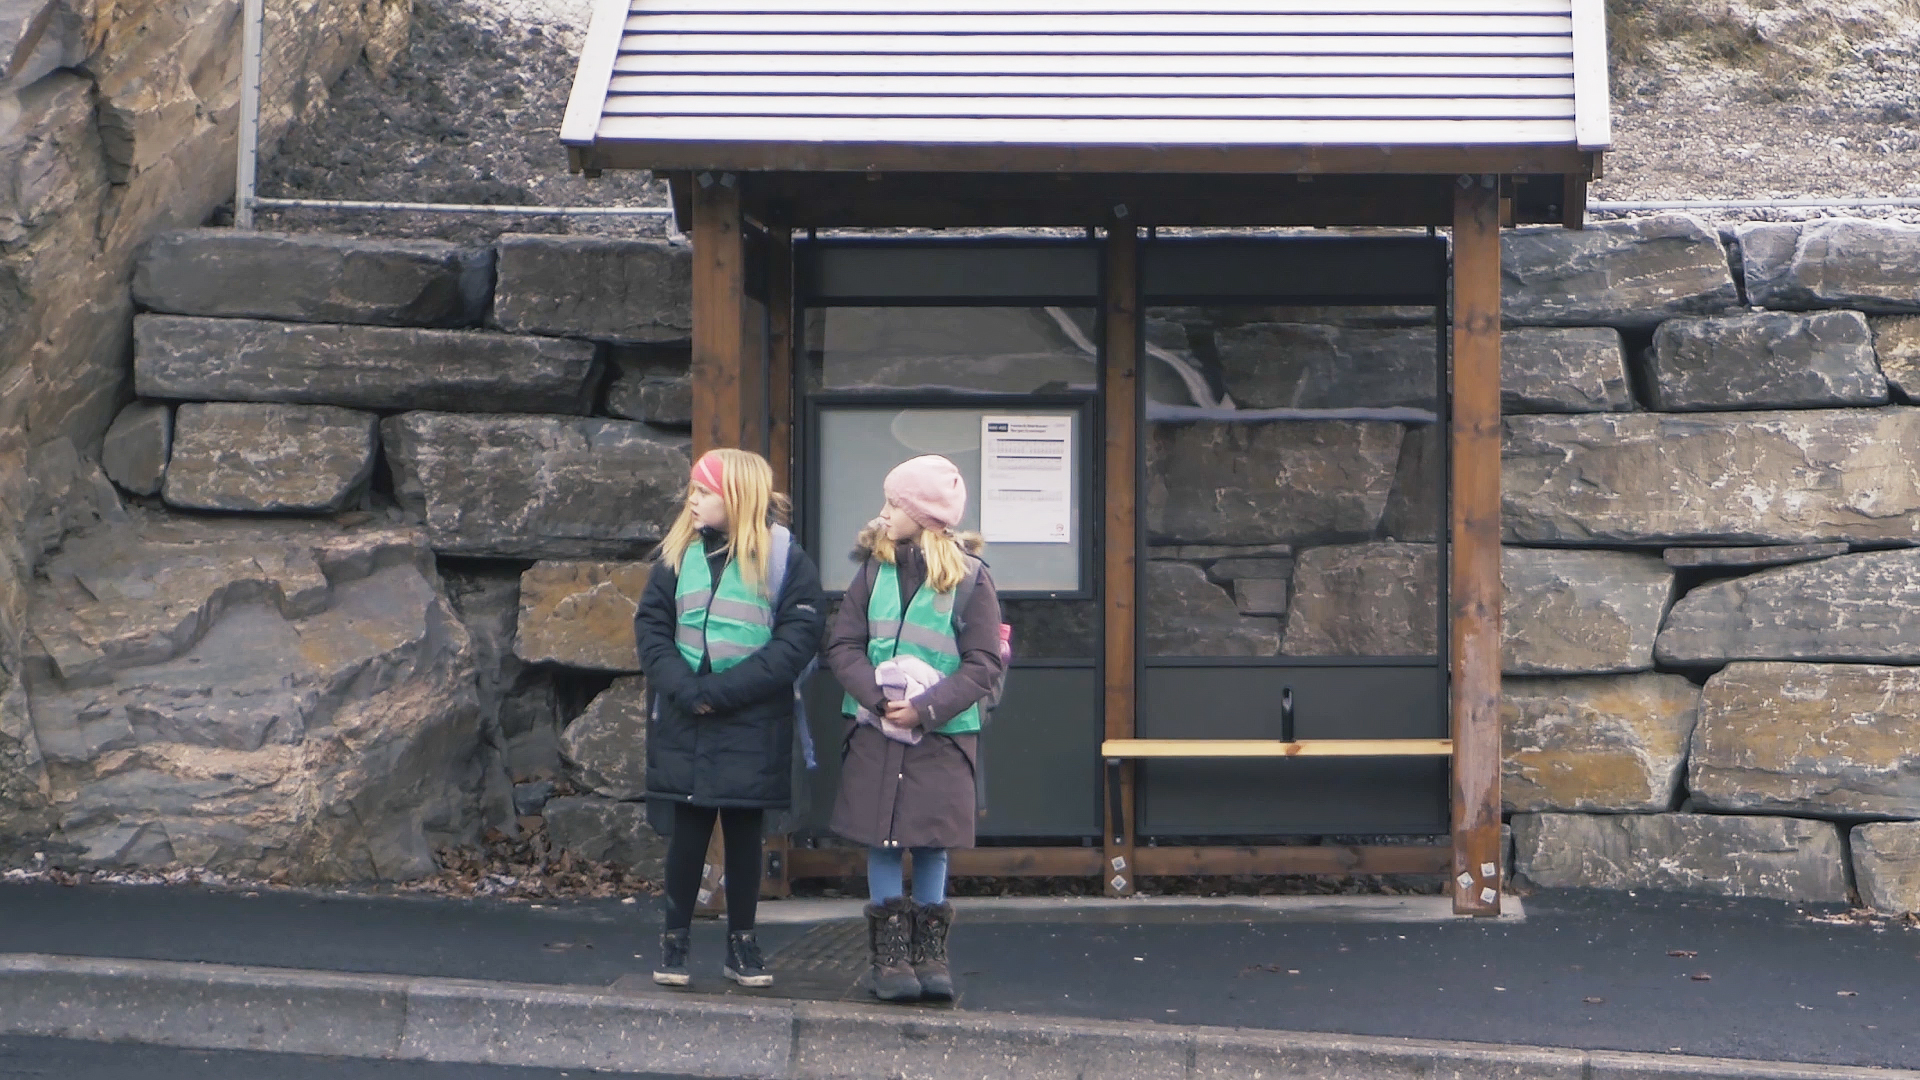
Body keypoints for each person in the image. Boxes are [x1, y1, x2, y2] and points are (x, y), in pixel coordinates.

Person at [634, 448, 825, 989]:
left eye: (703, 492)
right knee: (686, 835)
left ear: (737, 498)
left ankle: (742, 944)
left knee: (745, 836)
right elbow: (651, 625)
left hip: (750, 721)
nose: (691, 501)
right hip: (685, 714)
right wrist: (683, 688)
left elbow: (798, 639)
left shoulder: (785, 558)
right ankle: (674, 943)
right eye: (692, 491)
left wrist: (721, 692)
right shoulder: (677, 554)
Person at [825, 454, 1004, 1003]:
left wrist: (926, 709)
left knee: (932, 842)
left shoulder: (973, 580)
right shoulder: (872, 571)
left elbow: (984, 663)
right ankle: (891, 958)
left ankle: (930, 956)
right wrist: (878, 700)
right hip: (878, 731)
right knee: (881, 839)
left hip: (942, 737)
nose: (882, 514)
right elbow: (842, 645)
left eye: (892, 504)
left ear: (922, 515)